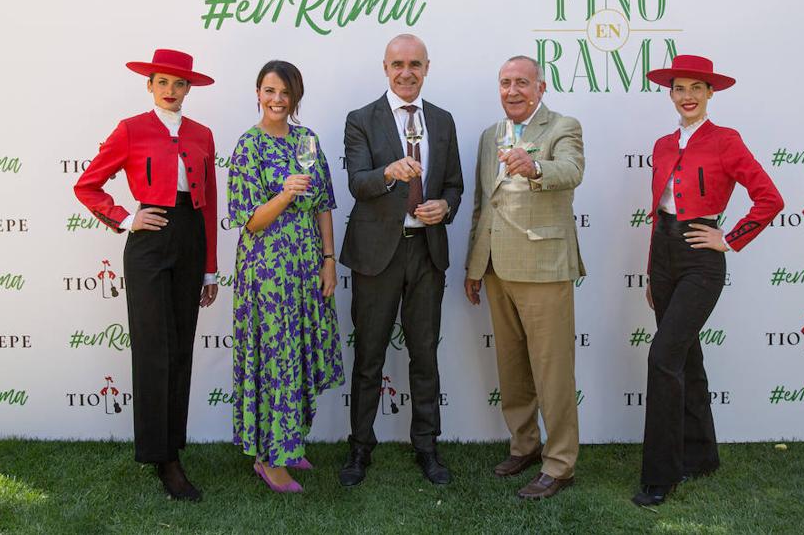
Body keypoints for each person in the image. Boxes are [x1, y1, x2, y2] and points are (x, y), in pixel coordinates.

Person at [634, 54, 783, 507]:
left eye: (697, 88)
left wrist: (730, 238)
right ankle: (701, 456)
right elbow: (658, 214)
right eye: (680, 88)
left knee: (663, 357)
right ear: (671, 94)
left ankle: (661, 475)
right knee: (687, 359)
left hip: (701, 258)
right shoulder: (661, 144)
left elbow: (769, 198)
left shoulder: (725, 140)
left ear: (710, 93)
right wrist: (650, 271)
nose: (688, 96)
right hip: (663, 256)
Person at [73, 48, 218, 502]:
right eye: (162, 83)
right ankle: (163, 459)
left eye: (179, 84)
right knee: (155, 348)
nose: (171, 91)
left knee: (181, 348)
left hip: (191, 238)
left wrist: (211, 268)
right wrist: (123, 217)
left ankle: (173, 446)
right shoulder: (131, 129)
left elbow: (209, 201)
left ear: (188, 89)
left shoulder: (202, 134)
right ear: (149, 85)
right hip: (149, 242)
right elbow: (87, 184)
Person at [338, 34, 463, 487]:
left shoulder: (443, 120)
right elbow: (357, 183)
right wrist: (389, 172)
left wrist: (444, 207)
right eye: (397, 64)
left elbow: (454, 185)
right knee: (369, 356)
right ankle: (359, 448)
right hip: (376, 256)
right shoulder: (361, 120)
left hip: (426, 252)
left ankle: (427, 447)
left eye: (414, 64)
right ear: (385, 68)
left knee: (424, 355)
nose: (406, 72)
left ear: (427, 67)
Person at [463, 55, 585, 500]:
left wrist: (533, 168)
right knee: (512, 370)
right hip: (496, 269)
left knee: (552, 371)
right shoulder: (488, 135)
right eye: (504, 83)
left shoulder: (562, 126)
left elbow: (571, 171)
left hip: (543, 269)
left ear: (541, 86)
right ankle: (525, 445)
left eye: (521, 82)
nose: (512, 90)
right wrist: (474, 267)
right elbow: (483, 203)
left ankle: (561, 463)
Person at [227, 60, 345, 494]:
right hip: (267, 272)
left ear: (296, 97)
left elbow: (324, 204)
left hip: (306, 264)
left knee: (297, 355)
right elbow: (251, 221)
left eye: (285, 92)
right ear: (257, 92)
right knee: (276, 361)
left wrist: (329, 259)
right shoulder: (248, 146)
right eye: (269, 90)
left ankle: (289, 441)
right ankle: (270, 460)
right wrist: (285, 193)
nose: (277, 100)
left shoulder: (307, 141)